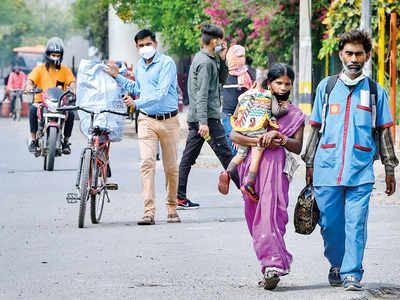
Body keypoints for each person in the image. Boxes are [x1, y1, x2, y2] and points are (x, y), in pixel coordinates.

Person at [302, 29, 398, 291]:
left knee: (356, 223)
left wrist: (389, 168)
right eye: (349, 53)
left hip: (360, 171)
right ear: (341, 55)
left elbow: (384, 132)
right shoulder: (327, 87)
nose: (354, 58)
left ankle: (352, 273)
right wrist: (309, 164)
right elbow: (315, 128)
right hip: (326, 169)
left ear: (367, 56)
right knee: (330, 224)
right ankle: (337, 263)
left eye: (359, 53)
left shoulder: (376, 92)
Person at [230, 63, 305, 290]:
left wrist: (279, 138)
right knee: (254, 216)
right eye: (278, 83)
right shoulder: (253, 104)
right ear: (269, 83)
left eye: (287, 83)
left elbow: (298, 146)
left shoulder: (295, 113)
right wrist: (258, 140)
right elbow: (234, 134)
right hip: (251, 168)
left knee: (271, 215)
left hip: (276, 168)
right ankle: (268, 263)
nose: (283, 87)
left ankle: (273, 266)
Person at [104, 29, 181, 225]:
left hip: (169, 121)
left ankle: (172, 207)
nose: (145, 48)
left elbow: (161, 93)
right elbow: (139, 89)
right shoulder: (139, 66)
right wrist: (117, 77)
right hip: (146, 120)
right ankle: (149, 211)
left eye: (148, 44)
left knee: (171, 168)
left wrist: (136, 104)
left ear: (155, 44)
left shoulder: (167, 64)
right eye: (140, 45)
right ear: (137, 48)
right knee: (147, 164)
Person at [176, 24, 241, 209]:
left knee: (188, 158)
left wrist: (222, 59)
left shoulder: (209, 58)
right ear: (214, 41)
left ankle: (179, 197)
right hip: (207, 119)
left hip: (202, 117)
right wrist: (203, 122)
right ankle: (249, 193)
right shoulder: (204, 62)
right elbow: (201, 94)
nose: (223, 43)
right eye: (221, 40)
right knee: (227, 155)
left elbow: (221, 79)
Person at [218, 67, 290, 201]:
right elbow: (276, 111)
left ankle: (227, 172)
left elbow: (237, 114)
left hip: (243, 129)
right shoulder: (269, 95)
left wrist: (238, 132)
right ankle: (250, 183)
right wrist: (284, 108)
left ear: (254, 84)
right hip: (257, 129)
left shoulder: (245, 95)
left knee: (240, 154)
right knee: (257, 152)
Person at [25, 37, 76, 154]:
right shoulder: (40, 69)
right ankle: (33, 140)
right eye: (53, 54)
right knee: (32, 110)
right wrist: (29, 86)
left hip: (60, 104)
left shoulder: (65, 70)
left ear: (61, 56)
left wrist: (74, 89)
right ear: (47, 54)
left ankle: (66, 142)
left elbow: (72, 83)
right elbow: (30, 81)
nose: (55, 57)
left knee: (71, 114)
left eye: (58, 55)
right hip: (41, 102)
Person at [221, 45, 256, 154]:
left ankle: (239, 170)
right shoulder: (224, 73)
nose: (240, 59)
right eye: (237, 56)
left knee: (244, 149)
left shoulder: (248, 73)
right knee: (232, 146)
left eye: (242, 56)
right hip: (228, 116)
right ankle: (233, 170)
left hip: (245, 116)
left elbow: (252, 94)